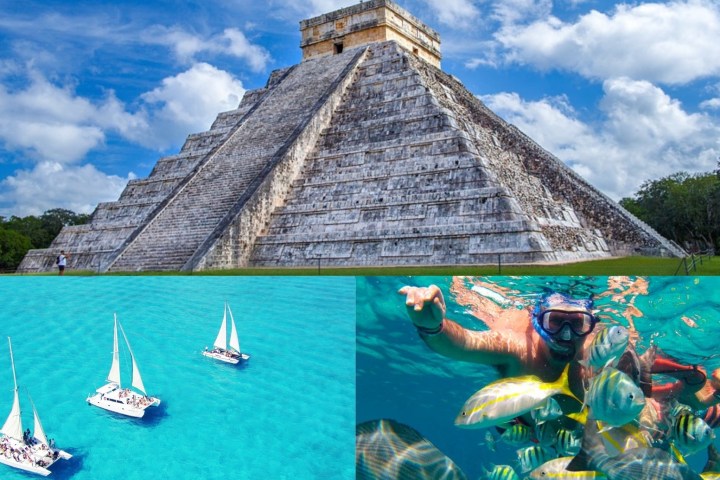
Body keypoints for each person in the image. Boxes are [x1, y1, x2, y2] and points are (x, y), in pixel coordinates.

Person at [399, 284, 708, 412]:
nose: (565, 335)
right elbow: (463, 344)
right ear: (536, 321)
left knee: (665, 408)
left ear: (592, 324)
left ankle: (694, 388)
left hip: (597, 430)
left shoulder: (600, 351)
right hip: (535, 435)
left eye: (577, 324)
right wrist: (432, 326)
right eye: (555, 321)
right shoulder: (516, 345)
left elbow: (641, 376)